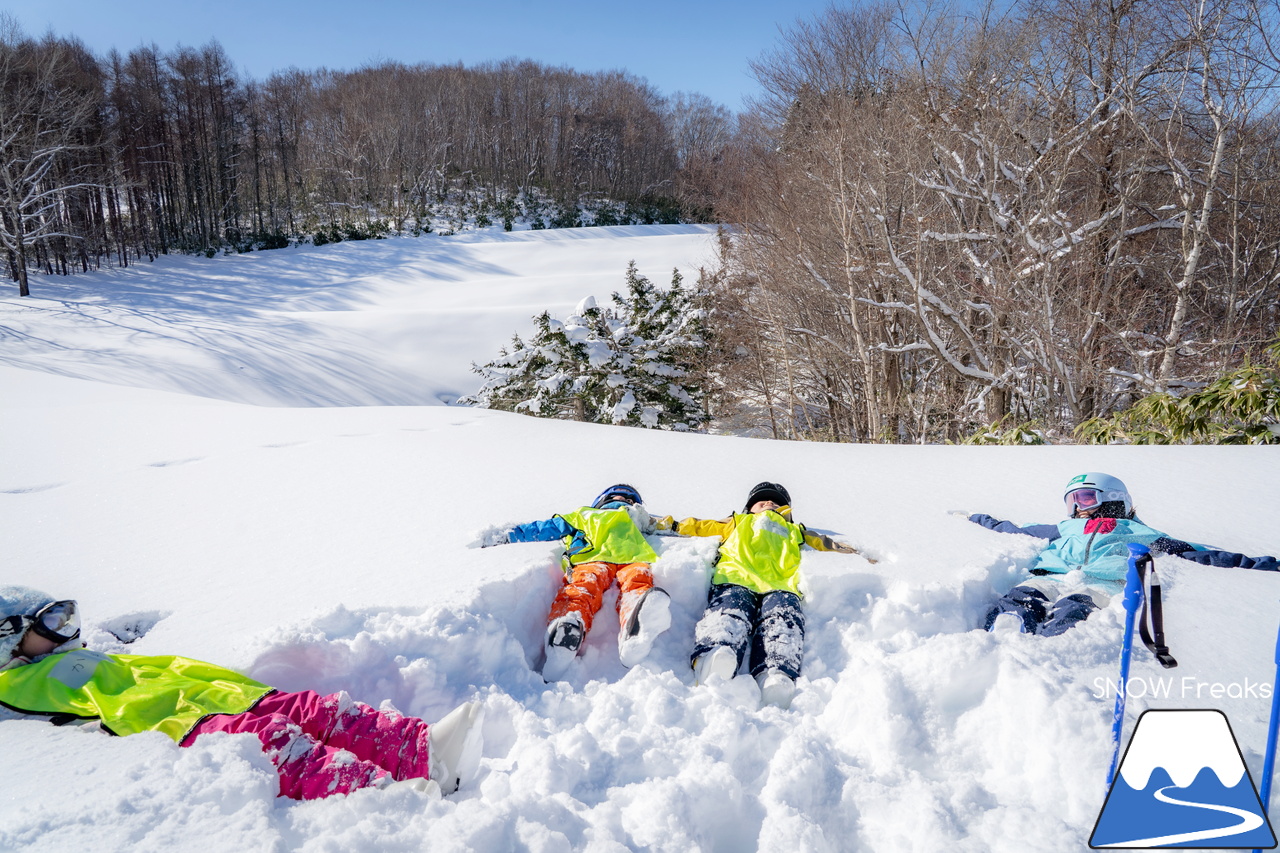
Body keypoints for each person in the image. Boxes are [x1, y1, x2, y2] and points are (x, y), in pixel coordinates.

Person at [0, 586, 483, 800]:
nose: (67, 629)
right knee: (269, 741)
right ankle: (382, 796)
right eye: (51, 622)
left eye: (68, 616)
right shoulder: (17, 682)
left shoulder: (64, 657)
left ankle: (418, 749)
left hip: (218, 692)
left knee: (306, 708)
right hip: (176, 718)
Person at [968, 472, 1278, 636]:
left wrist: (1265, 564)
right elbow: (1015, 528)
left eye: (1085, 498)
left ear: (1113, 498)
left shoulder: (1141, 533)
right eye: (1073, 501)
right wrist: (976, 519)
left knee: (1074, 607)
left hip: (1101, 584)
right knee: (1022, 597)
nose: (1078, 508)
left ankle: (1054, 641)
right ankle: (1004, 630)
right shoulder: (1064, 528)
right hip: (1051, 576)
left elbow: (1203, 554)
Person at [666, 482, 861, 709]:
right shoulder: (738, 521)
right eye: (762, 501)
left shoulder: (795, 530)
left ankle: (776, 673)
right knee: (728, 614)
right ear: (750, 508)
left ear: (786, 513)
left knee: (782, 623)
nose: (769, 503)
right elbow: (701, 526)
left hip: (781, 585)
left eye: (776, 502)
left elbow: (825, 542)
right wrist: (671, 525)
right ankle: (714, 656)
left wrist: (857, 552)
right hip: (736, 577)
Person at [482, 484, 673, 680]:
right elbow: (547, 528)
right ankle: (566, 628)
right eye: (617, 496)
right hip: (592, 558)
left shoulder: (639, 517)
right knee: (583, 587)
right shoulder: (583, 515)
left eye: (628, 499)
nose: (622, 500)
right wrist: (507, 535)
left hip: (632, 560)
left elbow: (677, 526)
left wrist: (706, 528)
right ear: (602, 501)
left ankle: (636, 629)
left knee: (638, 583)